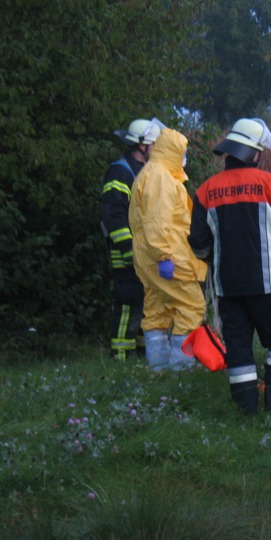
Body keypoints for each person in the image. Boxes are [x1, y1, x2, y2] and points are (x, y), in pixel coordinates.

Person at [189, 118, 271, 415]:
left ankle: (247, 412)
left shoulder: (205, 190)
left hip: (228, 288)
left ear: (229, 152)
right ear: (254, 154)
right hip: (268, 286)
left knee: (239, 349)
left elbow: (199, 243)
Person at [129, 124, 208, 371]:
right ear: (172, 151)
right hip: (169, 257)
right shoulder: (161, 177)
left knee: (156, 310)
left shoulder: (150, 173)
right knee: (191, 307)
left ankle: (158, 368)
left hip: (150, 257)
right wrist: (164, 255)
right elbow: (157, 221)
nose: (184, 157)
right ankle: (181, 370)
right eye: (182, 151)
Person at [101, 118, 161, 360]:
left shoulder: (147, 172)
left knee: (145, 301)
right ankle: (121, 355)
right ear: (142, 146)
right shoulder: (120, 172)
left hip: (145, 252)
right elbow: (113, 215)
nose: (157, 150)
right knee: (128, 300)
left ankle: (141, 352)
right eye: (155, 145)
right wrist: (128, 249)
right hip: (126, 251)